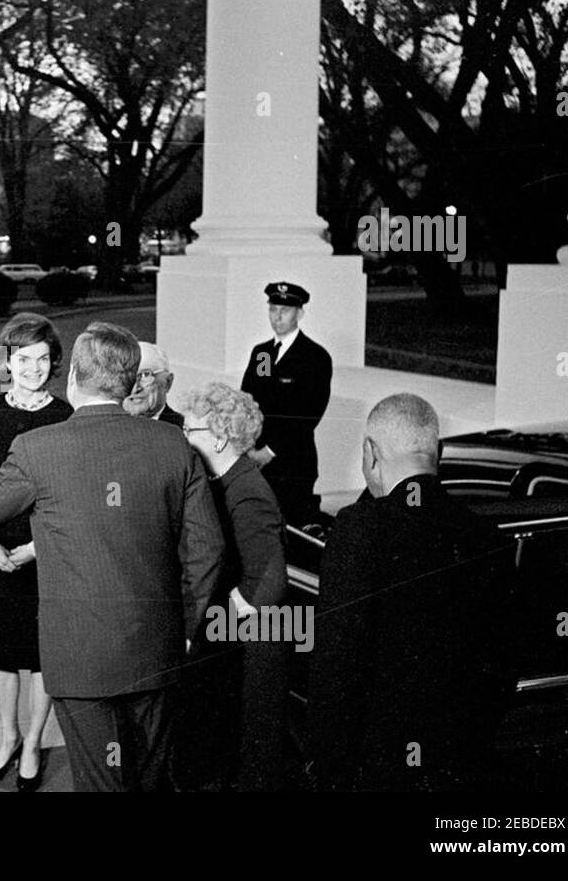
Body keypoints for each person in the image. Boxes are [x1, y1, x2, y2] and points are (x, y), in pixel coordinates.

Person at [0, 322, 225, 792]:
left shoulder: (37, 449)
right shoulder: (173, 444)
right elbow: (208, 549)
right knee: (151, 777)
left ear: (74, 376)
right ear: (129, 380)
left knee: (101, 781)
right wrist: (183, 627)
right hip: (157, 648)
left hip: (80, 657)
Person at [305, 393, 516, 791]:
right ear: (436, 451)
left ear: (370, 453)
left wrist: (327, 765)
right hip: (461, 761)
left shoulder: (360, 530)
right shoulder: (486, 537)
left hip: (377, 764)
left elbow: (337, 661)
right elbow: (498, 664)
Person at [0, 313, 71, 791]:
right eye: (23, 359)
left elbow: (69, 500)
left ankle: (33, 745)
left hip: (46, 553)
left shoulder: (65, 418)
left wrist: (33, 549)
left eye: (43, 359)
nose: (33, 368)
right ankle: (7, 738)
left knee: (43, 654)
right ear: (7, 361)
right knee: (1, 653)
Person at [176, 382, 288, 792]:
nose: (185, 438)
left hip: (247, 646)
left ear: (220, 436)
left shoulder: (247, 489)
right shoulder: (225, 480)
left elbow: (267, 576)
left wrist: (225, 613)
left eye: (192, 431)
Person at [239, 281, 332, 528]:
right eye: (273, 309)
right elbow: (248, 400)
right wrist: (248, 446)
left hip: (293, 463)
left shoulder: (314, 357)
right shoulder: (263, 354)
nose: (277, 317)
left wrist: (268, 452)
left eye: (285, 310)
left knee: (292, 529)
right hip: (256, 460)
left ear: (299, 313)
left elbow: (309, 414)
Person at [123, 341, 184, 427]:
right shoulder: (108, 428)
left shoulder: (182, 429)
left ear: (168, 382)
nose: (135, 388)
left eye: (145, 375)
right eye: (128, 376)